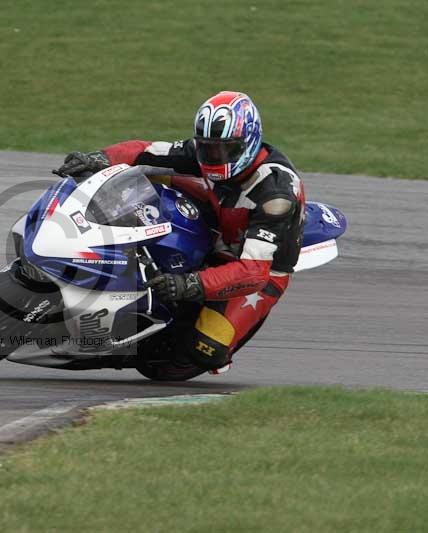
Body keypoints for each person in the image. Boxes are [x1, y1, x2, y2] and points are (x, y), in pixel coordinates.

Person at [57, 91, 305, 372]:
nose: (215, 157)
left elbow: (253, 272)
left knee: (207, 350)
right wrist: (99, 159)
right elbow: (146, 150)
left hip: (259, 265)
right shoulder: (203, 155)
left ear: (249, 142)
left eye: (225, 150)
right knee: (149, 172)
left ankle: (195, 332)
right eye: (208, 148)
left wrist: (189, 285)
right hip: (218, 218)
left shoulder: (275, 196)